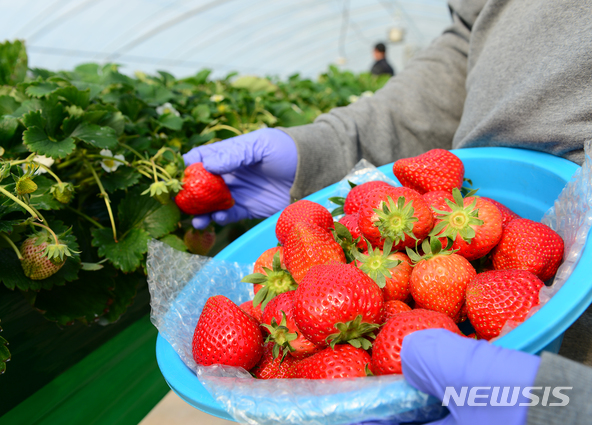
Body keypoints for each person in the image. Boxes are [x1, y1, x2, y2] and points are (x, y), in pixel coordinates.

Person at [183, 0, 592, 423]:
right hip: (494, 215)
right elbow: (466, 47)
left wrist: (569, 407)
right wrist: (326, 148)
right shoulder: (394, 259)